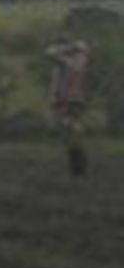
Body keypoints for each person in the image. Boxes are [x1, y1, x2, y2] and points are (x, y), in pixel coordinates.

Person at [45, 32, 90, 177]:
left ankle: (78, 165)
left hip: (71, 99)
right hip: (67, 98)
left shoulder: (73, 60)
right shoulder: (77, 58)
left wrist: (66, 48)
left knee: (72, 130)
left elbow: (51, 52)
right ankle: (76, 165)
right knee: (69, 131)